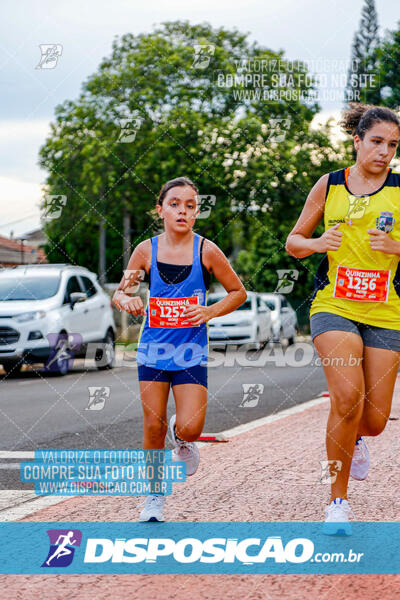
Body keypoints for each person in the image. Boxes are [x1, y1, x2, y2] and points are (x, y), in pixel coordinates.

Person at [286, 103, 400, 534]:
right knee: (347, 397)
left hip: (387, 312)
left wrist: (396, 249)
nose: (384, 152)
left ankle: (354, 437)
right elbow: (294, 242)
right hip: (334, 305)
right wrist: (319, 243)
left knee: (372, 420)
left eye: (392, 145)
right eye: (376, 142)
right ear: (357, 141)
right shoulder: (330, 185)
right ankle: (337, 502)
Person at [113, 176, 247, 522]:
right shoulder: (146, 250)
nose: (182, 211)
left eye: (190, 205)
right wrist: (127, 299)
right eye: (174, 204)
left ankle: (182, 438)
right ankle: (154, 497)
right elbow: (121, 292)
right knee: (152, 426)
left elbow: (238, 292)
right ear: (160, 210)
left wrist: (208, 311)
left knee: (190, 425)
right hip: (153, 351)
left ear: (197, 213)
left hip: (190, 353)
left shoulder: (207, 251)